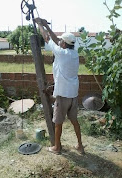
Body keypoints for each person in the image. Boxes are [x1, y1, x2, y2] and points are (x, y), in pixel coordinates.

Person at [34, 18, 85, 155]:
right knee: (74, 120)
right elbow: (57, 40)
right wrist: (46, 25)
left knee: (58, 122)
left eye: (61, 41)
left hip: (62, 96)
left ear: (63, 44)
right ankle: (80, 145)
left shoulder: (61, 53)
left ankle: (56, 147)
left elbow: (47, 38)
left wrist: (40, 25)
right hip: (73, 94)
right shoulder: (73, 54)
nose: (59, 41)